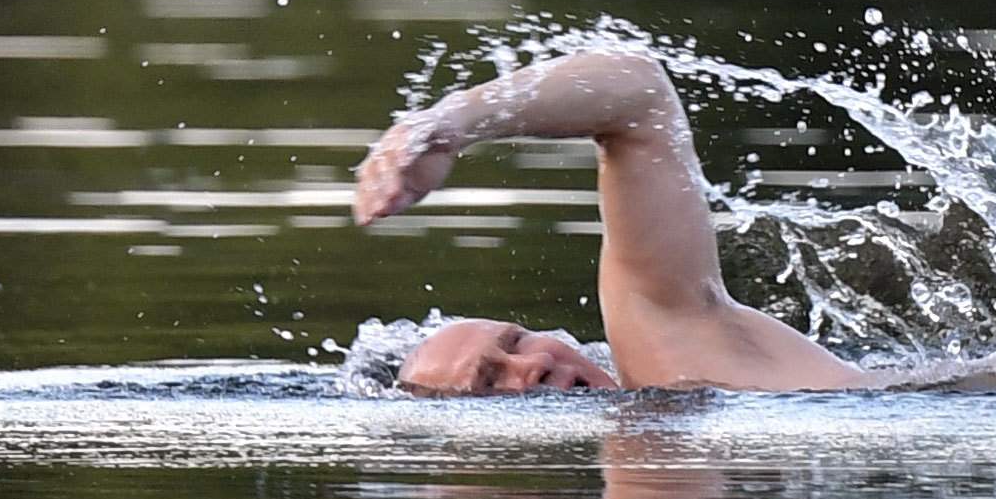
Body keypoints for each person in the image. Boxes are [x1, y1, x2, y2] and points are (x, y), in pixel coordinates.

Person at [348, 37, 859, 395]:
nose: (534, 365)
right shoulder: (655, 444)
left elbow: (641, 94)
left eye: (516, 340)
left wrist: (451, 123)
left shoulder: (677, 358)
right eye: (489, 381)